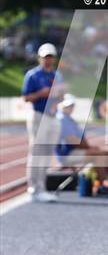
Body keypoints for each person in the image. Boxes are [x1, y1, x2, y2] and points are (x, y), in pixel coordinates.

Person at [56, 94, 108, 194]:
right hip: (68, 154)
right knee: (98, 155)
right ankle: (102, 185)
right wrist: (90, 148)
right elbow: (73, 140)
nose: (70, 108)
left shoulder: (68, 119)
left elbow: (78, 140)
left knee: (107, 154)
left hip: (75, 151)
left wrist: (90, 148)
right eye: (67, 106)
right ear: (61, 106)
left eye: (71, 105)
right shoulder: (61, 119)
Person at [22, 43, 65, 202]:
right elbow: (26, 97)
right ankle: (34, 188)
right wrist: (42, 93)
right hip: (39, 115)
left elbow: (60, 97)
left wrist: (58, 95)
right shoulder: (32, 75)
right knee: (36, 152)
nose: (48, 59)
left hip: (53, 116)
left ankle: (42, 186)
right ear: (40, 57)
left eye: (50, 56)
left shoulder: (57, 75)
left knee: (47, 153)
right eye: (45, 56)